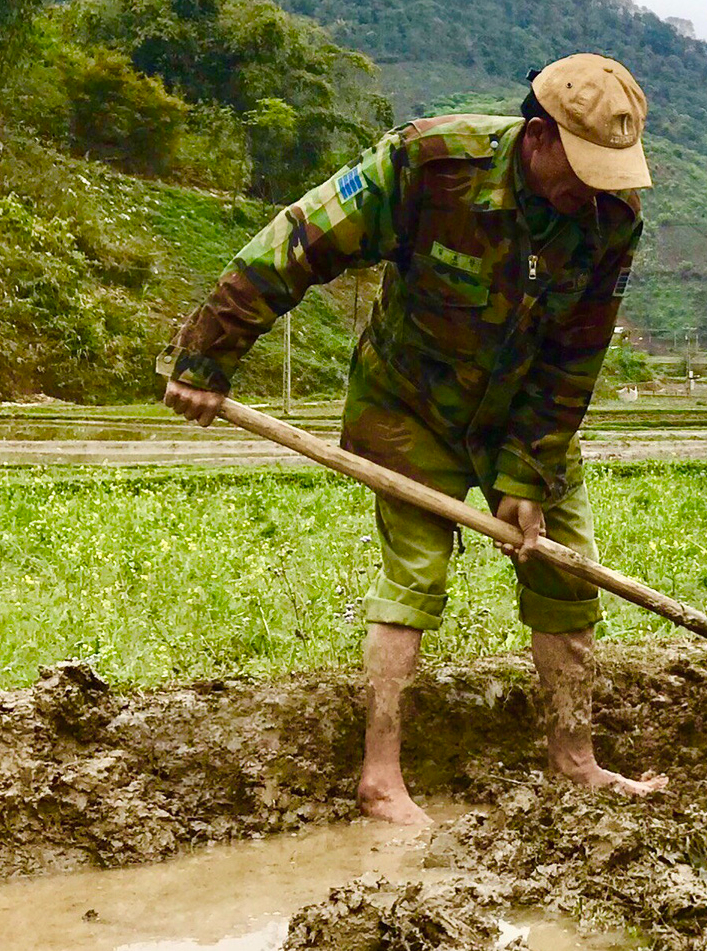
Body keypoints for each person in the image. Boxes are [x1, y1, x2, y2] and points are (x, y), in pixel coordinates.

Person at [158, 54, 667, 823]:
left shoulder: (613, 218)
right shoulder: (429, 164)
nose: (594, 189)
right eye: (583, 168)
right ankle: (381, 777)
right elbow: (300, 241)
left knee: (569, 569)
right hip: (411, 400)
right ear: (537, 136)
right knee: (417, 570)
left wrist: (527, 473)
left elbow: (575, 358)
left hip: (522, 411)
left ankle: (575, 758)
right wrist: (209, 353)